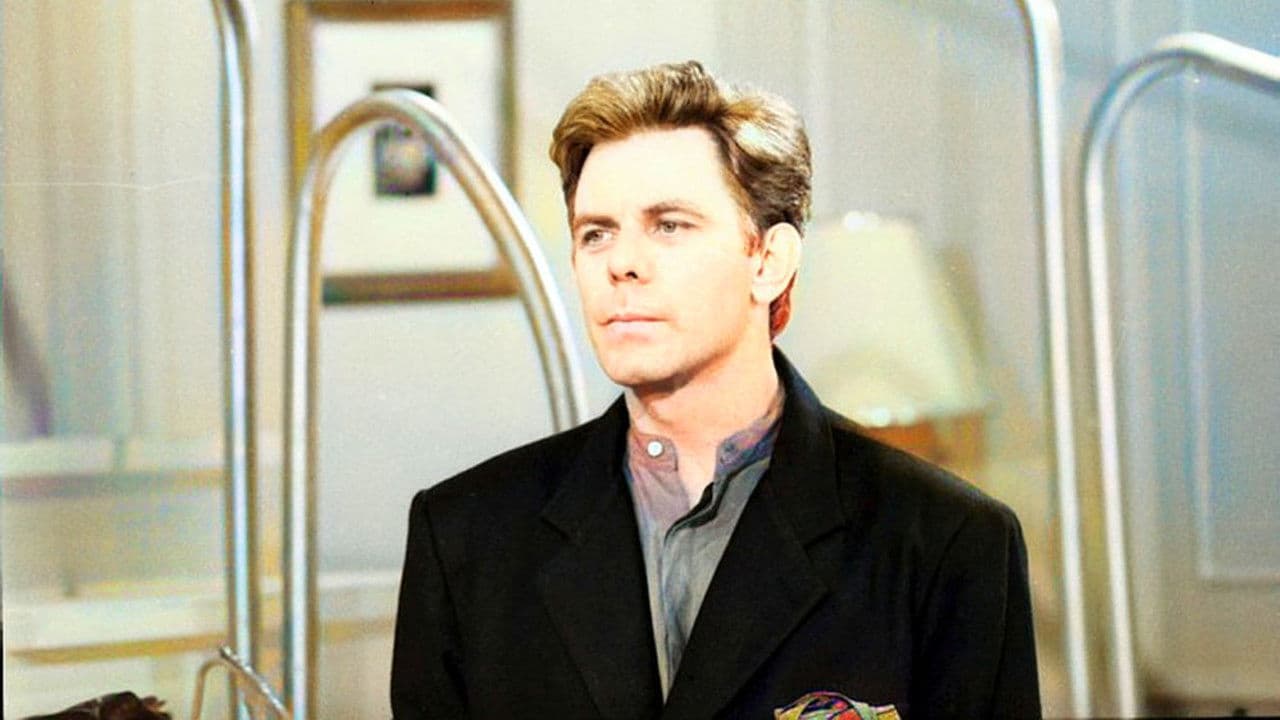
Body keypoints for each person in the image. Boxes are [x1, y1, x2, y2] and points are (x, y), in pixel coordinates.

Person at [391, 60, 1041, 719]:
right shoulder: (465, 539)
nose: (622, 263)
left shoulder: (947, 542)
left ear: (768, 261)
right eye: (597, 233)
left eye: (669, 225)